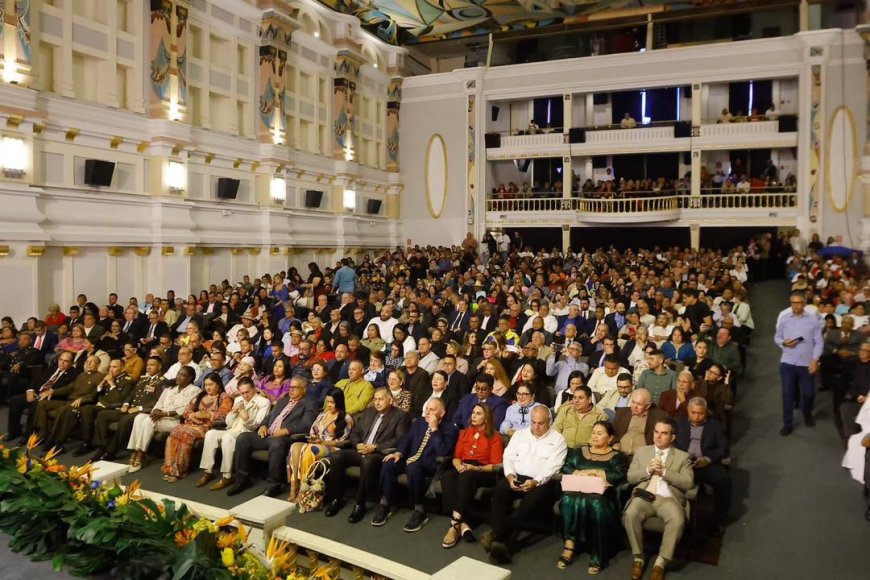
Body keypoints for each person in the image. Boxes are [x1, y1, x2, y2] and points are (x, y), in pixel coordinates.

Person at [485, 406, 567, 565]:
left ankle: (497, 535)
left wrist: (536, 481)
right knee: (500, 493)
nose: (536, 427)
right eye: (533, 422)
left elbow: (553, 467)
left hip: (542, 482)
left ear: (549, 422)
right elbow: (508, 457)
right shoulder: (520, 435)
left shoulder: (558, 440)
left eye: (541, 423)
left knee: (528, 504)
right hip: (516, 476)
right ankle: (500, 542)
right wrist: (509, 476)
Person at [371, 397, 459, 532]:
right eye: (427, 409)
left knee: (413, 468)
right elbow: (407, 439)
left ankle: (420, 510)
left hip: (430, 464)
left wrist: (435, 430)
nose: (428, 412)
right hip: (410, 459)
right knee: (388, 463)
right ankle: (385, 503)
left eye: (432, 410)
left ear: (442, 413)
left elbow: (443, 451)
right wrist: (399, 453)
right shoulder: (419, 422)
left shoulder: (450, 428)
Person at [324, 388, 410, 523]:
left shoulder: (400, 415)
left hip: (378, 453)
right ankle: (336, 498)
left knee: (368, 462)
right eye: (375, 399)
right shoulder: (369, 412)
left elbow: (399, 439)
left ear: (390, 400)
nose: (377, 402)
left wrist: (375, 447)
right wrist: (357, 444)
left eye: (380, 399)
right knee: (336, 457)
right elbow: (354, 433)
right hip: (361, 449)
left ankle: (360, 504)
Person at [623, 418, 694, 580]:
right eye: (656, 432)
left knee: (677, 519)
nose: (658, 436)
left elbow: (688, 483)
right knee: (631, 513)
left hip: (668, 499)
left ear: (672, 437)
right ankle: (638, 557)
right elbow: (630, 477)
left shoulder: (683, 457)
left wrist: (665, 472)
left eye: (664, 433)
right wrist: (647, 470)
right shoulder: (642, 452)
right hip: (645, 496)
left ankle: (660, 562)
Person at [226, 375, 320, 497]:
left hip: (287, 438)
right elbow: (268, 418)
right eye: (290, 387)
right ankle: (242, 480)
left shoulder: (310, 404)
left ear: (304, 389)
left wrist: (287, 430)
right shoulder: (283, 401)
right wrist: (263, 426)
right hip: (268, 435)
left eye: (295, 388)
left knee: (277, 443)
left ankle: (274, 484)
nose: (291, 390)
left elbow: (307, 425)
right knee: (243, 438)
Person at [558, 420, 629, 574]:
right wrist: (579, 472)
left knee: (595, 503)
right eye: (594, 433)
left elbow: (621, 475)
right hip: (577, 489)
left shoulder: (617, 457)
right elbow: (567, 467)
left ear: (610, 438)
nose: (595, 436)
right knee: (568, 500)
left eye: (600, 433)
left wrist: (598, 473)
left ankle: (599, 554)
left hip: (604, 495)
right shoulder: (579, 451)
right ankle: (569, 546)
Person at [440, 403, 504, 548]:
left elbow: (495, 465)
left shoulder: (495, 437)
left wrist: (475, 468)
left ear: (486, 418)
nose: (473, 416)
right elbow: (456, 457)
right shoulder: (465, 433)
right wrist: (458, 466)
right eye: (473, 413)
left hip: (484, 471)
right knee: (448, 475)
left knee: (466, 476)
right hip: (465, 467)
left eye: (478, 413)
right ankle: (463, 525)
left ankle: (454, 526)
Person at [197, 377, 270, 490]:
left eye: (247, 392)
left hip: (247, 434)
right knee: (211, 434)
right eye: (242, 393)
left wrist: (244, 414)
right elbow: (228, 422)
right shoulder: (238, 400)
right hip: (233, 429)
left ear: (254, 389)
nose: (245, 395)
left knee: (228, 437)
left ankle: (227, 476)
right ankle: (208, 471)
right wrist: (233, 412)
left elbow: (256, 425)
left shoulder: (263, 402)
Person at [88, 357, 167, 461]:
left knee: (125, 420)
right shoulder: (143, 379)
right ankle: (101, 446)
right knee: (103, 415)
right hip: (129, 409)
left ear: (159, 366)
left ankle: (111, 451)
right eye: (147, 365)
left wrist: (138, 408)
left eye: (152, 365)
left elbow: (156, 401)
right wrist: (125, 404)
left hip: (142, 413)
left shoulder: (163, 381)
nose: (148, 367)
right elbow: (131, 394)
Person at [126, 365, 200, 473]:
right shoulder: (170, 388)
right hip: (160, 417)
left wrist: (164, 413)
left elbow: (185, 411)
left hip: (174, 422)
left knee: (148, 421)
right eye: (178, 374)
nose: (179, 377)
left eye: (183, 375)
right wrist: (156, 410)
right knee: (139, 417)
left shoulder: (194, 391)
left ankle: (140, 455)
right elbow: (159, 403)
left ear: (190, 378)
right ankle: (134, 451)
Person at [161, 372, 232, 482]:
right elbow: (187, 410)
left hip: (208, 427)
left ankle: (180, 471)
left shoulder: (224, 397)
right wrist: (191, 415)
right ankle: (170, 468)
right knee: (176, 431)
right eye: (206, 385)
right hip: (192, 423)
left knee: (185, 434)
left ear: (218, 384)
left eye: (211, 384)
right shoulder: (201, 395)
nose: (208, 387)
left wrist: (206, 415)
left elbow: (225, 414)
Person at [675, 398, 731, 536]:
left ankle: (719, 521)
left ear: (706, 412)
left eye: (700, 413)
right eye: (693, 412)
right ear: (688, 410)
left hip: (705, 463)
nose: (696, 417)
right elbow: (672, 444)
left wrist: (707, 459)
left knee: (723, 480)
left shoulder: (715, 426)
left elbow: (723, 448)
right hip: (682, 464)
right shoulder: (678, 423)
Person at [287, 387, 353, 502]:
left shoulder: (346, 418)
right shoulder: (322, 415)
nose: (329, 405)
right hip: (316, 443)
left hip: (333, 448)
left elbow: (343, 441)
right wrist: (314, 438)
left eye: (332, 402)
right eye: (327, 402)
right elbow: (313, 431)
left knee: (309, 449)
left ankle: (304, 490)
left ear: (339, 402)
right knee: (295, 446)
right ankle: (294, 486)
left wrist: (323, 442)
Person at [774, 291, 823, 435]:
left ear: (804, 304)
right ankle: (787, 424)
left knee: (809, 393)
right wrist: (784, 342)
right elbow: (777, 337)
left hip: (806, 363)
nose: (795, 305)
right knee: (787, 394)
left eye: (799, 302)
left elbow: (819, 342)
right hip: (788, 362)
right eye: (793, 303)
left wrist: (815, 360)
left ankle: (807, 413)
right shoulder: (784, 318)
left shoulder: (813, 320)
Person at [34, 355, 105, 452]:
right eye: (87, 361)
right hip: (69, 401)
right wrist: (53, 391)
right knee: (43, 403)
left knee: (64, 410)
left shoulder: (100, 377)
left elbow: (96, 394)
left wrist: (83, 399)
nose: (88, 363)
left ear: (98, 365)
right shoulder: (81, 375)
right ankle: (43, 432)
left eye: (92, 362)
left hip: (82, 405)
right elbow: (70, 388)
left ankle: (55, 442)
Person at [71, 359, 136, 457]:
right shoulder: (109, 378)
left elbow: (120, 400)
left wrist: (111, 384)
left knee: (94, 411)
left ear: (122, 369)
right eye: (110, 367)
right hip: (101, 405)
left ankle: (100, 446)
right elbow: (97, 395)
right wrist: (101, 385)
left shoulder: (128, 381)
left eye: (114, 367)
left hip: (113, 408)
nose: (111, 369)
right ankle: (87, 441)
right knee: (87, 409)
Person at [613, 388, 667, 456]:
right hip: (620, 454)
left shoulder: (659, 417)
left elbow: (663, 438)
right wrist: (614, 443)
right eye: (633, 402)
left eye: (639, 404)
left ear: (647, 406)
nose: (634, 406)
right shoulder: (621, 413)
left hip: (643, 457)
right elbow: (612, 433)